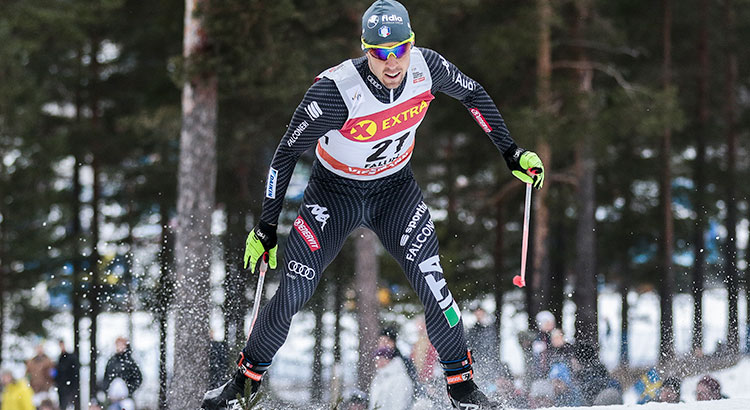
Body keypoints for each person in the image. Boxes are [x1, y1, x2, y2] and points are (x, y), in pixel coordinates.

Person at [201, 1, 544, 409]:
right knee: (294, 289)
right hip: (335, 194)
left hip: (394, 192)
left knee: (434, 285)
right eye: (380, 53)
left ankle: (463, 389)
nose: (392, 62)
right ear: (366, 51)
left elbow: (473, 95)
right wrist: (266, 227)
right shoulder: (336, 92)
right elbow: (285, 154)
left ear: (411, 44)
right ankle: (242, 386)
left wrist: (511, 152)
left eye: (400, 49)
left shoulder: (427, 68)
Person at [466, 306, 500, 385]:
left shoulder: (489, 329)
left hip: (489, 360)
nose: (479, 315)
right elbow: (470, 344)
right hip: (478, 360)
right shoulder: (473, 330)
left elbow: (492, 345)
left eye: (480, 313)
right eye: (477, 313)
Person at [55, 339, 80, 410]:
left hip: (70, 388)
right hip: (62, 388)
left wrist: (73, 388)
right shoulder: (59, 358)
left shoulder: (71, 358)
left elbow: (75, 374)